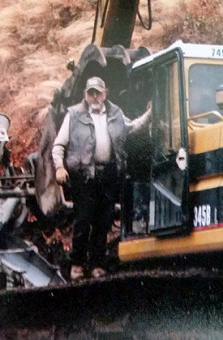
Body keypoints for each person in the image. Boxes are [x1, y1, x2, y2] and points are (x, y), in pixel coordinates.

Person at [52, 76, 151, 281]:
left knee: (103, 222)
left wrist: (150, 114)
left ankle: (97, 264)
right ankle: (77, 265)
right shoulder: (74, 115)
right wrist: (59, 167)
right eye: (91, 93)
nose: (95, 96)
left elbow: (131, 127)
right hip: (84, 177)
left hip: (109, 175)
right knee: (82, 221)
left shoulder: (115, 113)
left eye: (98, 92)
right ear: (85, 95)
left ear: (105, 93)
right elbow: (59, 145)